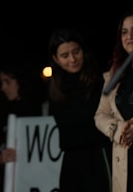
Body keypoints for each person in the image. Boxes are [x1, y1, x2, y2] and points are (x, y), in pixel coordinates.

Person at [47, 28, 112, 192]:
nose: (73, 59)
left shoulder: (100, 81)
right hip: (71, 161)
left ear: (84, 50)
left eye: (76, 51)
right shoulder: (55, 89)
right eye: (65, 55)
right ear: (56, 59)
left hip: (100, 155)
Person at [94, 8, 133, 192]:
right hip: (125, 165)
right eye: (124, 32)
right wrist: (119, 130)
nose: (130, 36)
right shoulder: (114, 75)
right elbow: (100, 115)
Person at [0, 59, 47, 192]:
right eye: (2, 82)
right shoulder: (3, 112)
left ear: (20, 81)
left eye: (7, 81)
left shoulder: (40, 110)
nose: (3, 88)